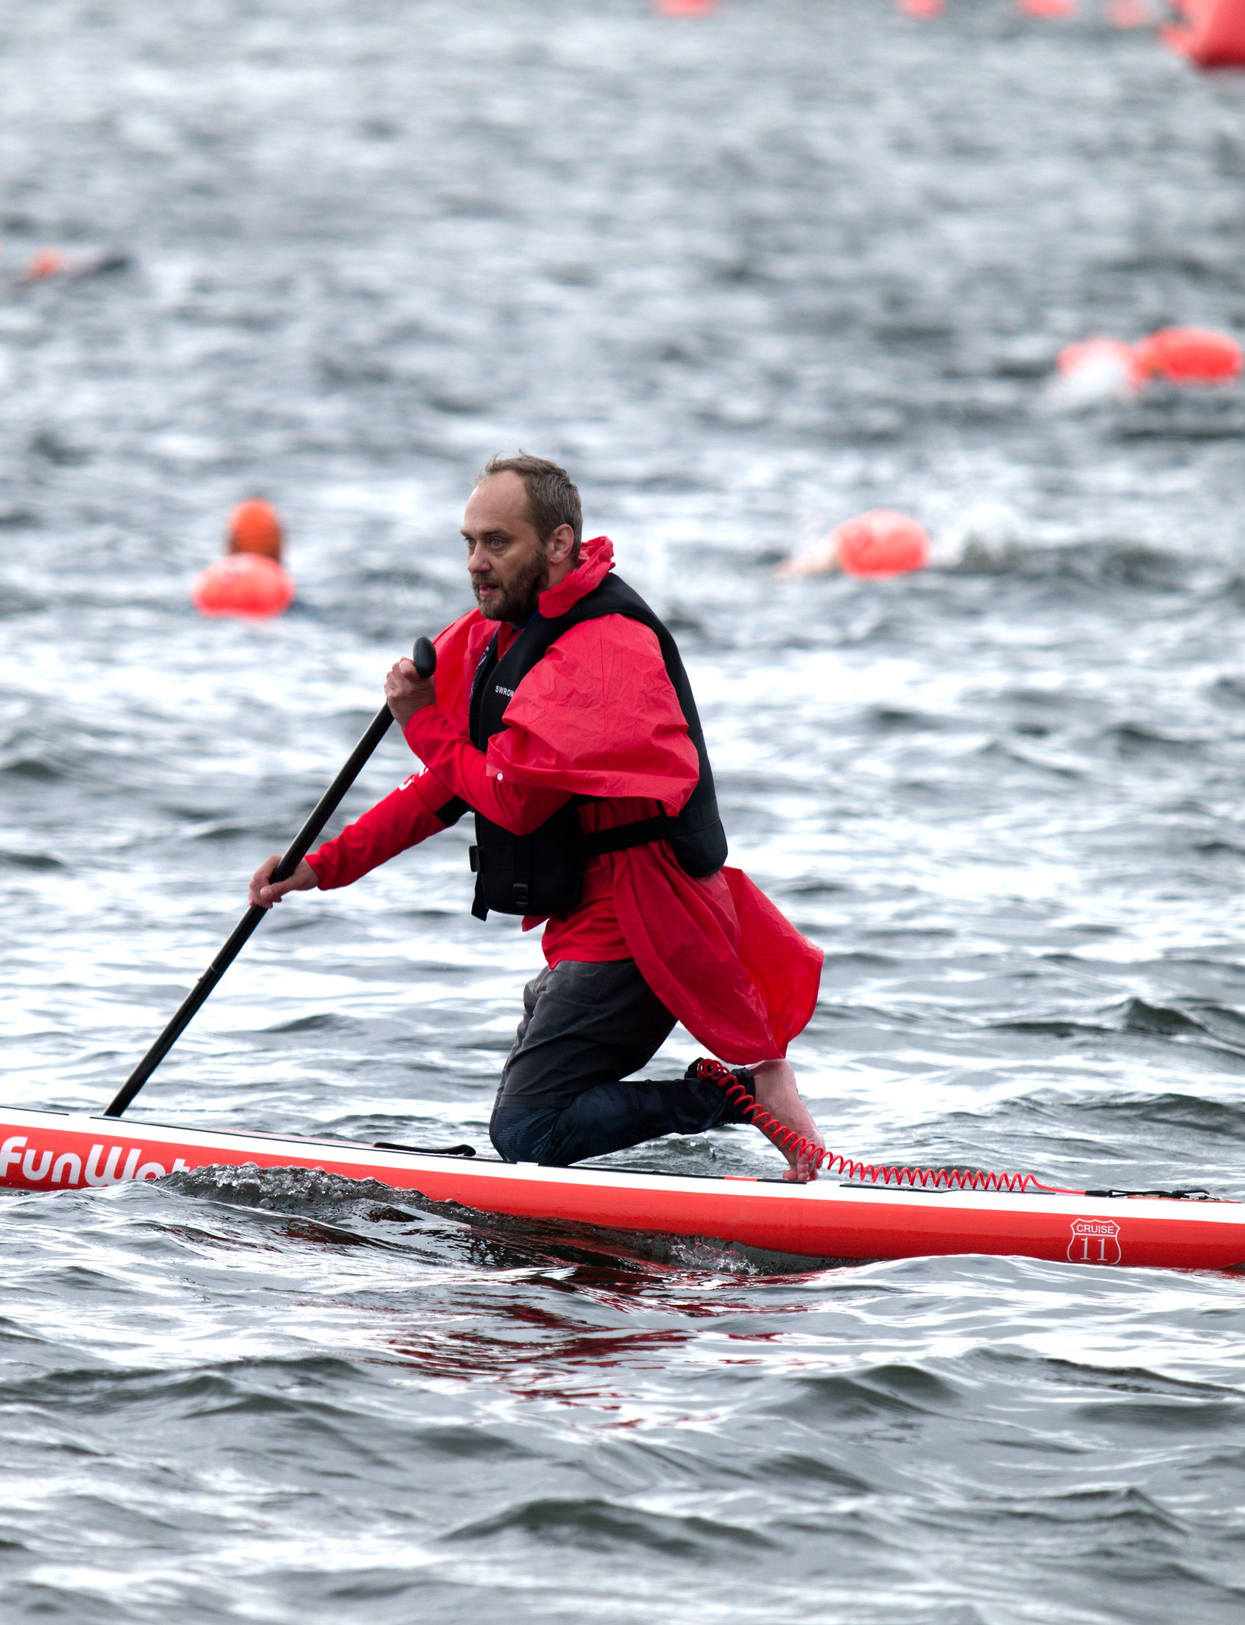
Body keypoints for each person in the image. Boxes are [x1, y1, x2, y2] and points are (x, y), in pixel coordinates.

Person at [251, 455, 827, 1171]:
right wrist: (321, 865)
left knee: (526, 1129)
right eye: (468, 542)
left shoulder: (605, 646)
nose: (476, 563)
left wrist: (424, 723)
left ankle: (728, 1095)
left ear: (558, 544)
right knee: (532, 1127)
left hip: (647, 922)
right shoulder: (502, 634)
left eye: (498, 542)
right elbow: (443, 787)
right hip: (589, 921)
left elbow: (511, 800)